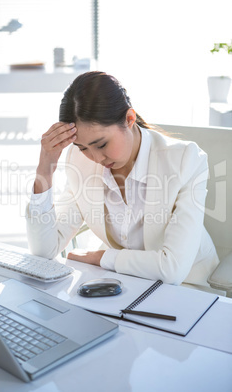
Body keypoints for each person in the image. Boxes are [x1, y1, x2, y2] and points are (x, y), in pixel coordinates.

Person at [26, 71, 219, 288]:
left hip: (189, 288)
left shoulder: (186, 160)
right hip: (123, 285)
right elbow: (44, 251)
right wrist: (45, 168)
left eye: (101, 144)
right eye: (82, 147)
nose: (96, 158)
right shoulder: (80, 162)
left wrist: (101, 257)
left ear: (129, 119)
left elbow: (172, 269)